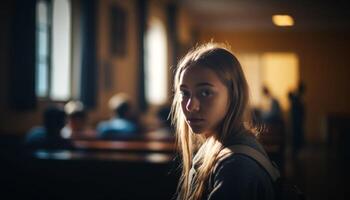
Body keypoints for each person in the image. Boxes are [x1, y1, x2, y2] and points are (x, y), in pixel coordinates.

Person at [171, 43, 276, 200]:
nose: (190, 106)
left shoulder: (236, 167)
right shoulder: (214, 145)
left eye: (205, 92)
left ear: (234, 95)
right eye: (185, 93)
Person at [288, 82, 306, 156]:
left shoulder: (297, 96)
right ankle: (295, 152)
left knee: (297, 135)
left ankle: (296, 151)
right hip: (296, 119)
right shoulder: (297, 96)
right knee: (296, 135)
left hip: (297, 119)